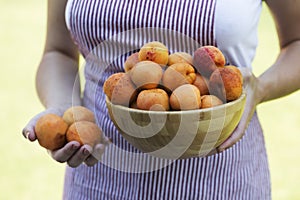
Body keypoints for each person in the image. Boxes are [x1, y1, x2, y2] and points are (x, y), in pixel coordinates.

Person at [22, 0, 300, 199]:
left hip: (220, 179)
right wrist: (62, 107)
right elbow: (57, 51)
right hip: (99, 174)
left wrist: (261, 87)